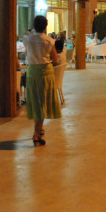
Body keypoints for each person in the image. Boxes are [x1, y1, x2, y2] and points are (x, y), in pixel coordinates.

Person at [24, 15, 61, 146]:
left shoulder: (27, 39)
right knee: (43, 102)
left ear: (34, 26)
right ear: (46, 26)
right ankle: (36, 133)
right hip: (45, 72)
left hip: (32, 72)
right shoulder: (49, 40)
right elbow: (55, 59)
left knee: (35, 101)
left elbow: (26, 53)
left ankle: (39, 128)